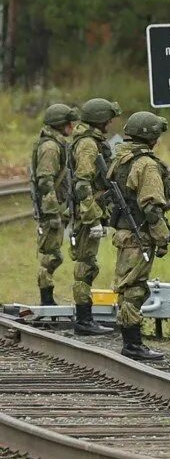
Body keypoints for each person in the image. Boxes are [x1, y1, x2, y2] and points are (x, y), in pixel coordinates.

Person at [106, 112, 170, 361]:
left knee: (127, 286)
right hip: (139, 233)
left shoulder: (120, 158)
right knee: (134, 288)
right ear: (151, 137)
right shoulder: (146, 164)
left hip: (125, 232)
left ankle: (130, 341)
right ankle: (132, 344)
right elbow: (151, 206)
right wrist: (162, 237)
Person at [66, 98, 123, 335]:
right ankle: (83, 320)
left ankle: (85, 318)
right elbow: (83, 183)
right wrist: (92, 218)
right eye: (108, 118)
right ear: (100, 119)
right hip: (88, 213)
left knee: (88, 263)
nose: (111, 122)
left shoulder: (90, 141)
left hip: (93, 209)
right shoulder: (88, 144)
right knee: (85, 264)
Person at [29, 103, 78, 306]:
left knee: (53, 254)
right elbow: (45, 181)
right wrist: (52, 213)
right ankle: (46, 300)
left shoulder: (56, 144)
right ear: (61, 124)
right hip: (52, 210)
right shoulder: (50, 147)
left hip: (57, 207)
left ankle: (48, 300)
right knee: (51, 256)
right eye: (69, 123)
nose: (72, 127)